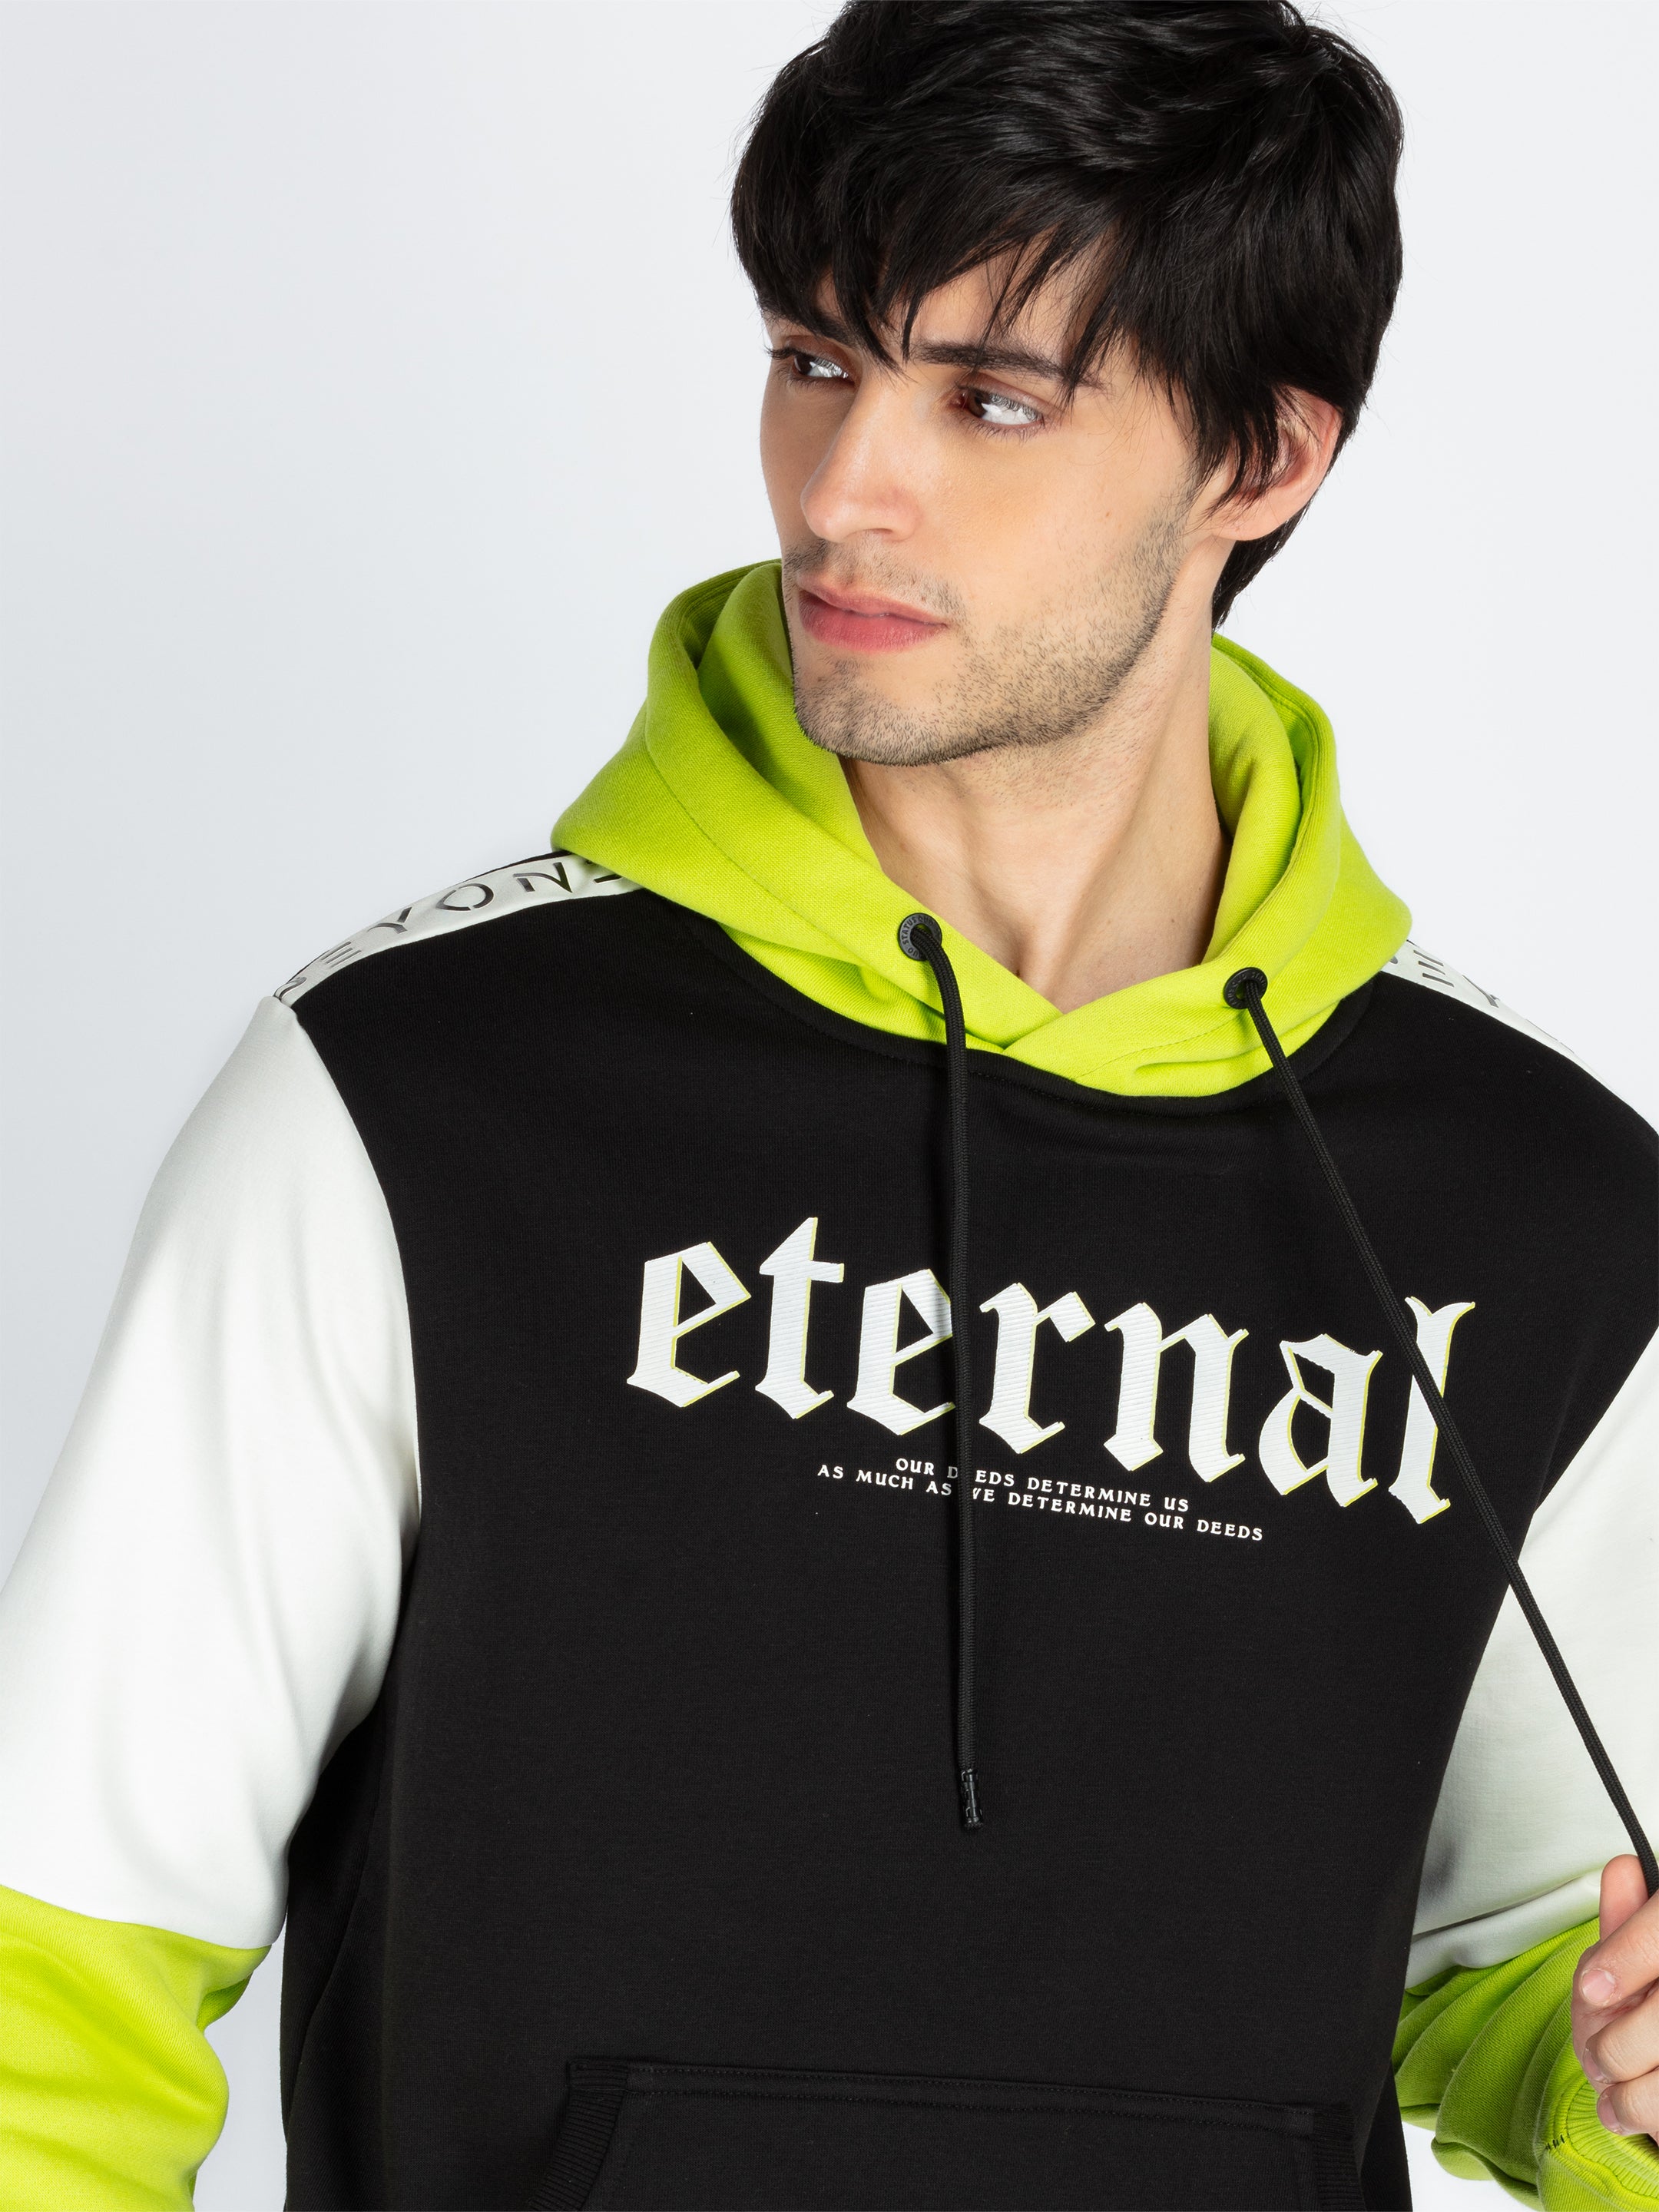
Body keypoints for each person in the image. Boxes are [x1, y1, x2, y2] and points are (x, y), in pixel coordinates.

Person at [2, 3, 1655, 2206]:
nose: (841, 491)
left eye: (990, 398)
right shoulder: (417, 1100)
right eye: (814, 360)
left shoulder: (1534, 1205)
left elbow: (1533, 1969)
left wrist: (1612, 2077)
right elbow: (54, 1976)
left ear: (1263, 460)